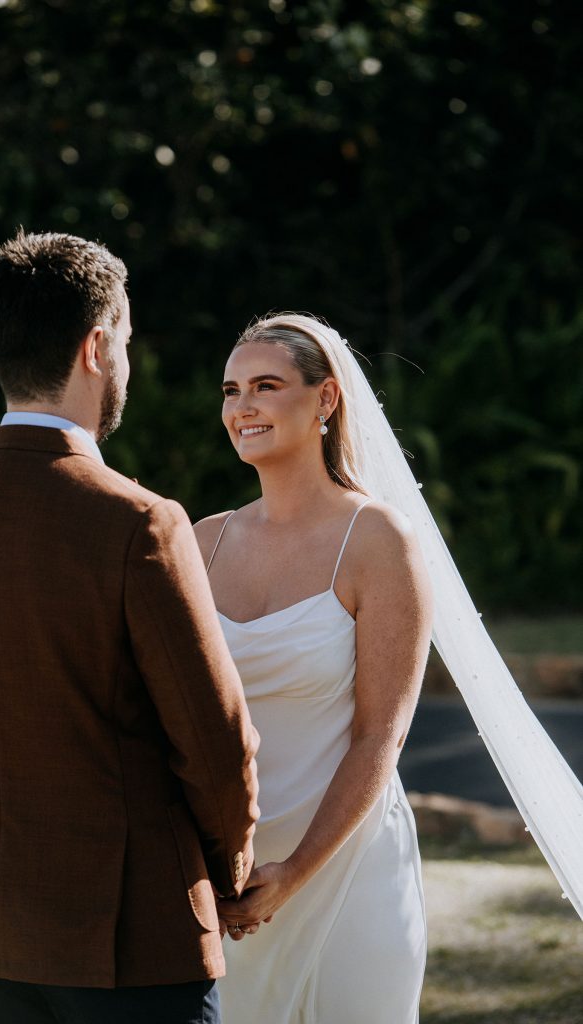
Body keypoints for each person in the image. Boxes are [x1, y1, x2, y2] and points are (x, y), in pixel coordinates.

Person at [0, 230, 260, 1024]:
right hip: (129, 933)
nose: (127, 358)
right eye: (125, 337)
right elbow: (213, 737)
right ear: (97, 346)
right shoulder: (139, 521)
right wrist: (228, 873)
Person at [194, 313, 433, 1024]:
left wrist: (294, 873)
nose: (243, 407)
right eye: (232, 390)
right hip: (229, 878)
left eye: (266, 386)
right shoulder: (199, 542)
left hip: (345, 868)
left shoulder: (377, 539)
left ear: (324, 399)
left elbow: (378, 736)